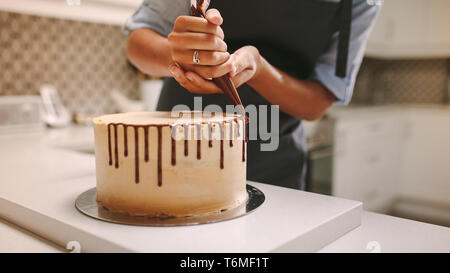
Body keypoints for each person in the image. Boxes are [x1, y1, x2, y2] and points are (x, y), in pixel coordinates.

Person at [124, 0, 381, 190]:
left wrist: (259, 69)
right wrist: (178, 55)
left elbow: (318, 103)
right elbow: (137, 42)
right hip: (175, 157)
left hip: (275, 175)